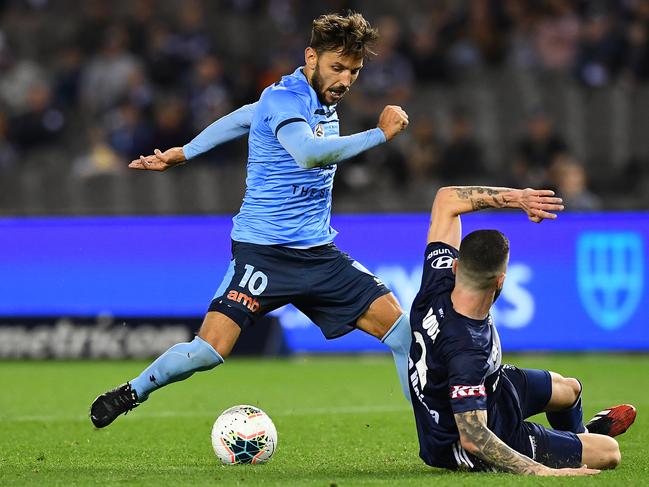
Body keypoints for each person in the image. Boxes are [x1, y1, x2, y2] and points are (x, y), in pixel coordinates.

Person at [90, 12, 412, 428]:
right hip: (263, 253)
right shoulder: (285, 99)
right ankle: (132, 391)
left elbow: (242, 117)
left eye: (354, 71)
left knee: (404, 334)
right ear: (311, 58)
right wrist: (380, 134)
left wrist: (184, 151)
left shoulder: (310, 100)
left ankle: (440, 438)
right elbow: (309, 154)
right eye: (337, 68)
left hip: (318, 254)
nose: (345, 80)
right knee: (208, 351)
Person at [408, 185, 636, 475]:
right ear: (501, 281)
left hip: (493, 390)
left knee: (569, 389)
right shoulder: (467, 348)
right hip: (470, 439)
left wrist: (520, 198)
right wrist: (543, 471)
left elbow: (445, 199)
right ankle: (584, 443)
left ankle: (581, 437)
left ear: (455, 266)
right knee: (609, 452)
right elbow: (474, 438)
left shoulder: (437, 280)